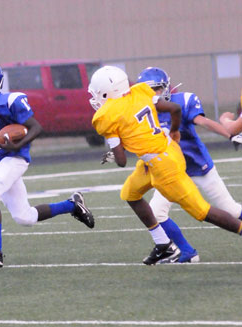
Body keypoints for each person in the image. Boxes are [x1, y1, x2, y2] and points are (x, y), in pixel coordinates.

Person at [89, 65, 242, 265]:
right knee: (130, 194)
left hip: (172, 166)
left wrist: (114, 142)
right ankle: (165, 245)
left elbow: (121, 161)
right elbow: (169, 111)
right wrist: (174, 132)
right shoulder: (140, 93)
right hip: (159, 156)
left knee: (203, 211)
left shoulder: (107, 116)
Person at [0, 60, 95, 268]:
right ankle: (72, 205)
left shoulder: (10, 101)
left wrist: (18, 145)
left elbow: (35, 127)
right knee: (25, 217)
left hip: (16, 158)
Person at [135, 67, 242, 263]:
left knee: (231, 210)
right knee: (156, 212)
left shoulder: (182, 101)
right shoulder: (141, 112)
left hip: (198, 166)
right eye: (149, 89)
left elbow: (204, 122)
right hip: (171, 171)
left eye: (157, 89)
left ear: (166, 88)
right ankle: (187, 252)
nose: (154, 94)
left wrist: (230, 135)